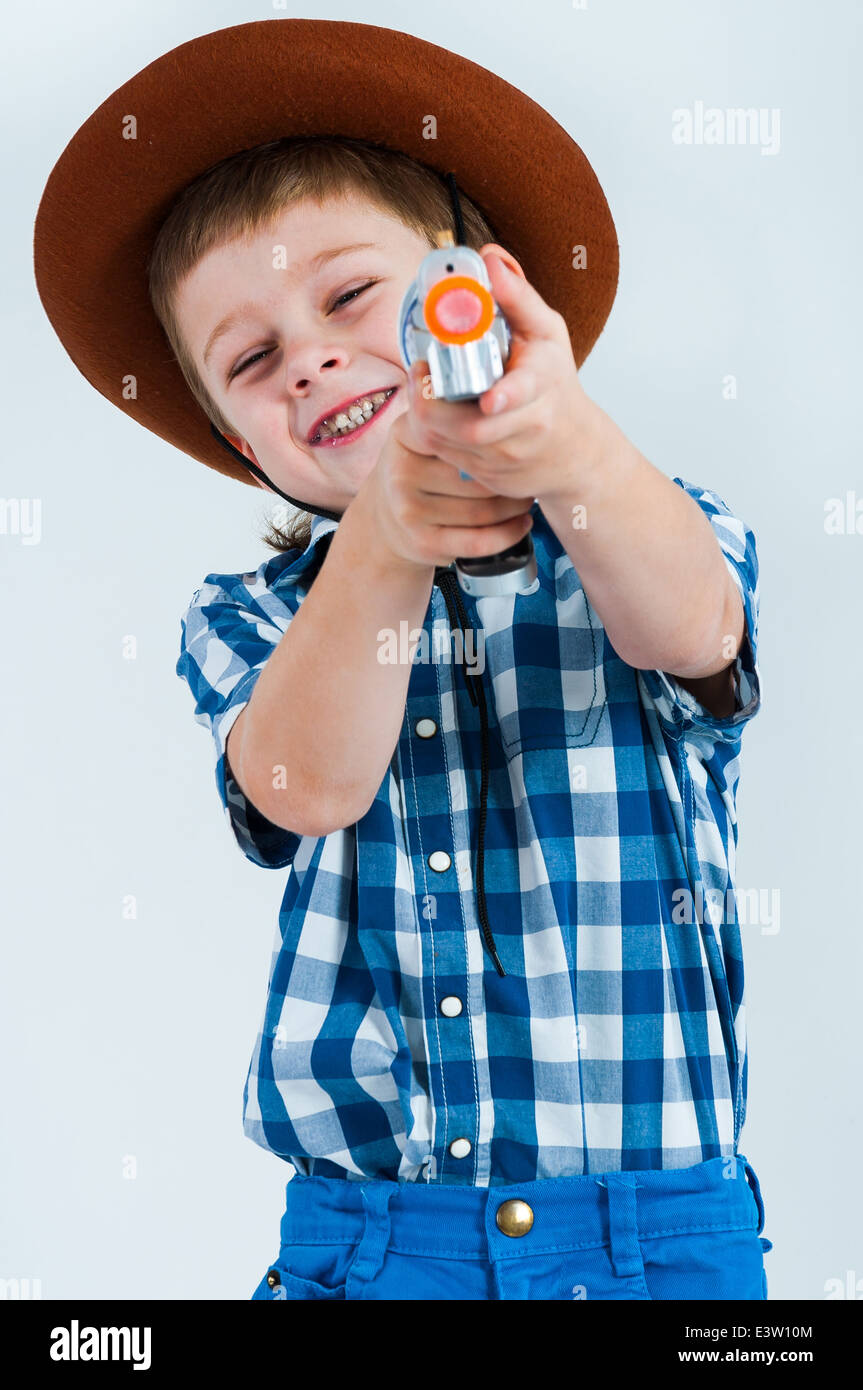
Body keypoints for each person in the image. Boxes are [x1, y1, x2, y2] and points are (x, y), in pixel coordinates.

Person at [34, 17, 772, 1301]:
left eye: (349, 297)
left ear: (474, 291)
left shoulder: (639, 527)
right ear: (241, 445)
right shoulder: (252, 618)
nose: (310, 356)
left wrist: (567, 444)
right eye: (252, 361)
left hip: (656, 1242)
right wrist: (385, 533)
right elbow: (301, 784)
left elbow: (693, 628)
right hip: (375, 1243)